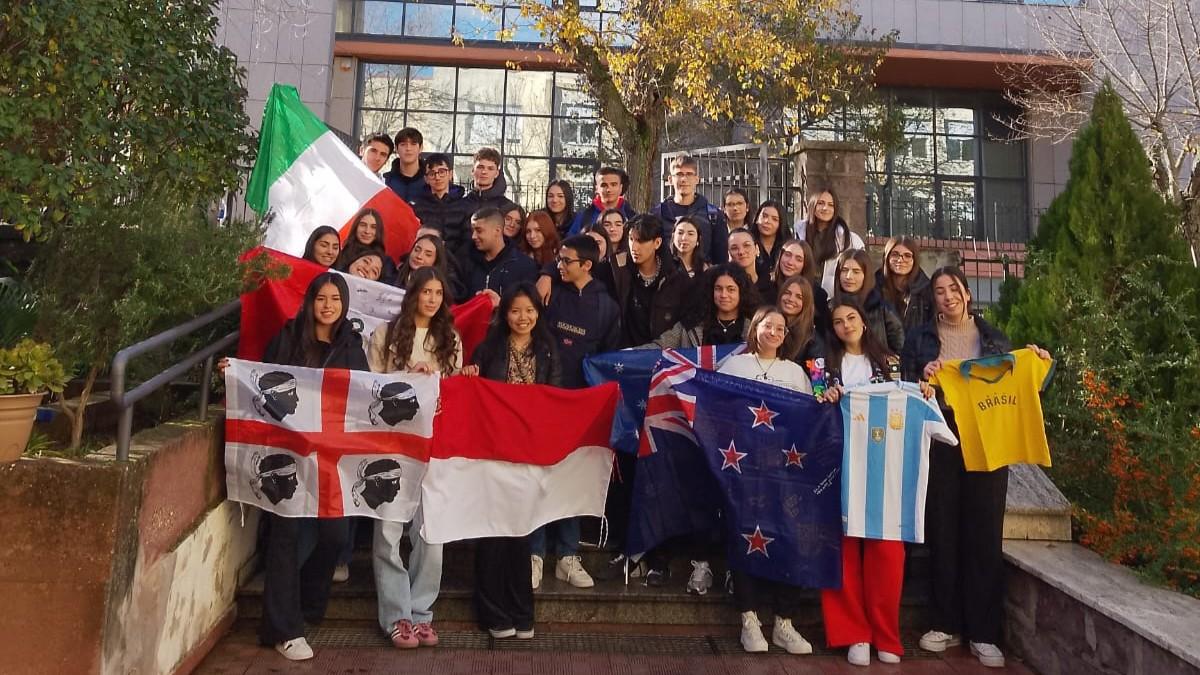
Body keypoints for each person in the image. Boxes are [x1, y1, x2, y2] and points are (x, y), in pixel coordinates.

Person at [901, 266, 1051, 669]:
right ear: (931, 298)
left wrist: (1038, 362)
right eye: (939, 291)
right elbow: (904, 380)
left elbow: (1025, 383)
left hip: (988, 436)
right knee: (943, 528)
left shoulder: (994, 337)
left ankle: (983, 632)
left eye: (954, 289)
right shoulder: (919, 338)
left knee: (984, 532)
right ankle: (943, 623)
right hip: (941, 435)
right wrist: (923, 373)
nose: (947, 296)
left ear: (967, 294)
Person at [232, 273, 365, 661]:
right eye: (321, 298)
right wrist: (235, 370)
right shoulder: (288, 337)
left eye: (335, 299)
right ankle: (283, 628)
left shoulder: (351, 345)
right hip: (286, 455)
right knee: (285, 538)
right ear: (310, 302)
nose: (328, 306)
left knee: (336, 537)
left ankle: (307, 605)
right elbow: (261, 383)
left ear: (344, 305)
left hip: (330, 460)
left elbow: (365, 393)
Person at [818, 298, 926, 667]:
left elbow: (905, 404)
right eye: (837, 321)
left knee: (887, 552)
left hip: (885, 468)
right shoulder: (822, 366)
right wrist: (826, 397)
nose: (845, 325)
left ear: (864, 322)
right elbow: (815, 407)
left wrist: (922, 392)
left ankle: (885, 634)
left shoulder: (891, 363)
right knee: (843, 548)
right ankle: (854, 633)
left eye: (851, 318)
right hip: (840, 465)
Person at [459, 283, 562, 640]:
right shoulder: (487, 349)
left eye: (530, 311)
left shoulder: (548, 351)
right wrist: (470, 376)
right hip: (492, 451)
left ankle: (522, 612)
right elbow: (474, 399)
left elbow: (555, 400)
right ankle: (492, 613)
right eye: (516, 311)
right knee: (492, 531)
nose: (523, 317)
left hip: (529, 452)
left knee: (520, 531)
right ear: (505, 315)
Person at [366, 267, 462, 650]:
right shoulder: (385, 334)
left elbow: (454, 393)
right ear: (413, 294)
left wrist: (441, 375)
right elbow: (370, 388)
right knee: (387, 532)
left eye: (439, 292)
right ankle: (396, 615)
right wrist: (408, 377)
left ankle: (422, 613)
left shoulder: (449, 338)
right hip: (393, 446)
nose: (433, 298)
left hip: (435, 447)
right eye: (426, 291)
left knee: (430, 532)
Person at [717, 306, 814, 656]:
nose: (774, 331)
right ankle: (749, 619)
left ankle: (784, 623)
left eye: (781, 328)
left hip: (784, 473)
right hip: (742, 470)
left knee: (789, 540)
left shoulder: (795, 372)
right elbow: (717, 410)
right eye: (767, 325)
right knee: (745, 538)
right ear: (754, 327)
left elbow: (808, 418)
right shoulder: (735, 365)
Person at [529, 235, 621, 590]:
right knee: (539, 476)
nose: (559, 264)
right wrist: (548, 273)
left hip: (583, 407)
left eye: (566, 261)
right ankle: (534, 553)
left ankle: (567, 555)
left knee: (571, 480)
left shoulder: (607, 307)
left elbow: (610, 360)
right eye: (557, 260)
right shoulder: (549, 292)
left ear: (587, 266)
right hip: (544, 399)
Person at [610, 214, 693, 347]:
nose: (634, 247)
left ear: (657, 243)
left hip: (662, 355)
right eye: (631, 239)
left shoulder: (676, 276)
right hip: (623, 356)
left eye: (641, 241)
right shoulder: (617, 269)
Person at [643, 263, 757, 350]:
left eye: (731, 289)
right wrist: (627, 356)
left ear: (741, 292)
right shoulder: (692, 325)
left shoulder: (755, 329)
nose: (723, 295)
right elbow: (659, 347)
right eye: (718, 289)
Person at [653, 154, 726, 264]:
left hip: (703, 278)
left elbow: (721, 259)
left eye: (689, 174)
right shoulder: (658, 214)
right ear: (670, 179)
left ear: (697, 179)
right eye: (679, 174)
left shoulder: (713, 215)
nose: (684, 179)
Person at [832, 249, 904, 354]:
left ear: (866, 275)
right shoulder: (830, 307)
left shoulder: (882, 308)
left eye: (856, 271)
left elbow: (899, 345)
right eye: (844, 270)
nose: (849, 276)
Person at [798, 186, 864, 296]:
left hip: (834, 297)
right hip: (803, 294)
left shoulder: (850, 239)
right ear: (812, 205)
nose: (825, 208)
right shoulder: (798, 233)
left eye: (830, 205)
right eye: (821, 203)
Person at [458, 207, 539, 297]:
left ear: (497, 231)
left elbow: (528, 305)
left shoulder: (525, 266)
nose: (473, 236)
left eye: (479, 231)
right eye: (473, 231)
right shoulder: (465, 261)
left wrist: (500, 305)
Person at [411, 153, 471, 253]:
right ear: (426, 179)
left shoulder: (464, 206)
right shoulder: (416, 207)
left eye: (442, 172)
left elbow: (467, 240)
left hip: (455, 262)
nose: (437, 177)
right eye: (431, 173)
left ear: (450, 174)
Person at [877, 236, 933, 334]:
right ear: (886, 257)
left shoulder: (927, 290)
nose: (900, 260)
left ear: (914, 260)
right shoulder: (874, 287)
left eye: (907, 255)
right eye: (895, 254)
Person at [773, 239, 830, 331]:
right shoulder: (767, 286)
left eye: (798, 259)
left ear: (805, 264)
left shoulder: (817, 294)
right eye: (787, 255)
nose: (790, 262)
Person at [393, 233, 463, 302]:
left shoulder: (445, 288)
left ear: (436, 260)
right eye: (416, 250)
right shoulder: (395, 274)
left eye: (428, 254)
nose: (419, 256)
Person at [334, 207, 397, 283]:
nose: (367, 231)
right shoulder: (340, 253)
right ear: (356, 227)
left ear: (378, 231)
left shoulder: (386, 262)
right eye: (363, 225)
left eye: (373, 227)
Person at [567, 166, 636, 235]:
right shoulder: (584, 217)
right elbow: (570, 243)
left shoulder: (631, 216)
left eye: (613, 184)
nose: (609, 189)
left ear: (621, 187)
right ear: (597, 188)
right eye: (604, 185)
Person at [776, 275, 825, 365]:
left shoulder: (812, 340)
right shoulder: (766, 326)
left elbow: (816, 377)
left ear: (806, 303)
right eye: (787, 293)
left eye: (799, 297)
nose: (791, 299)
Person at [461, 147, 518, 223]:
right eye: (480, 167)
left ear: (497, 173)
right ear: (472, 170)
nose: (484, 172)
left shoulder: (506, 207)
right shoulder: (460, 204)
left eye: (490, 168)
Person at [727, 228, 775, 302]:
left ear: (757, 249)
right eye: (734, 248)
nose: (741, 252)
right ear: (728, 253)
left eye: (746, 245)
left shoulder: (772, 288)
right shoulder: (723, 287)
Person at [383, 127, 426, 204]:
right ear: (396, 148)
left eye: (413, 144)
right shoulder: (386, 182)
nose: (408, 148)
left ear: (421, 148)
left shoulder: (430, 181)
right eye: (403, 144)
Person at [750, 200, 794, 272]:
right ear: (757, 218)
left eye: (774, 219)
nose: (767, 221)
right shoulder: (748, 243)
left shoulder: (788, 246)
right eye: (764, 216)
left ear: (781, 224)